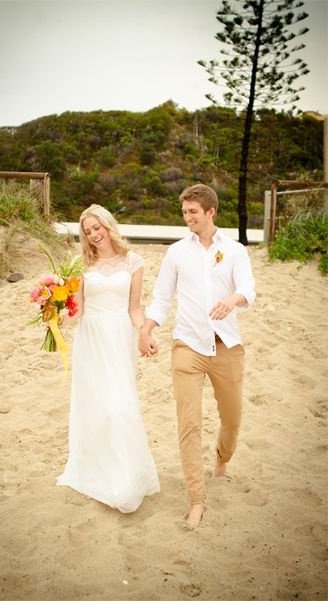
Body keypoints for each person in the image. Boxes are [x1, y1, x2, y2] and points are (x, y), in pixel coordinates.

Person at [139, 184, 256, 529]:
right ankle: (196, 499)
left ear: (210, 213)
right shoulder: (176, 253)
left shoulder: (234, 251)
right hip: (187, 346)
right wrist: (147, 329)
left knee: (232, 418)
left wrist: (232, 300)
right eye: (184, 212)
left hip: (226, 345)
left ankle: (222, 458)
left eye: (193, 212)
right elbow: (161, 298)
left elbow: (248, 288)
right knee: (188, 425)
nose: (187, 217)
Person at [56, 204, 160, 513]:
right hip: (90, 338)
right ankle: (101, 470)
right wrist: (59, 316)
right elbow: (79, 307)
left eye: (96, 227)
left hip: (119, 337)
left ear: (108, 225)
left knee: (120, 404)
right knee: (97, 405)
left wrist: (145, 332)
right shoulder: (81, 264)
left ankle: (128, 475)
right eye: (87, 231)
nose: (93, 234)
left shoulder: (133, 261)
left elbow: (135, 308)